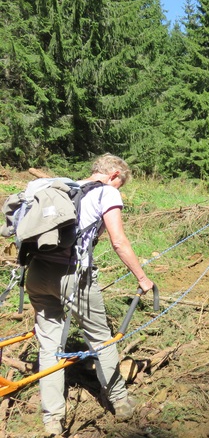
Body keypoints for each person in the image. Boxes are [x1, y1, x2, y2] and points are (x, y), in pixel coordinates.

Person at [25, 154, 155, 436]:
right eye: (120, 184)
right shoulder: (106, 192)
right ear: (114, 175)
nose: (118, 190)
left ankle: (52, 420)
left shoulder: (64, 186)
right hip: (73, 276)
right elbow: (119, 241)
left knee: (49, 347)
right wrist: (142, 278)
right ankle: (119, 400)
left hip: (36, 273)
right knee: (100, 338)